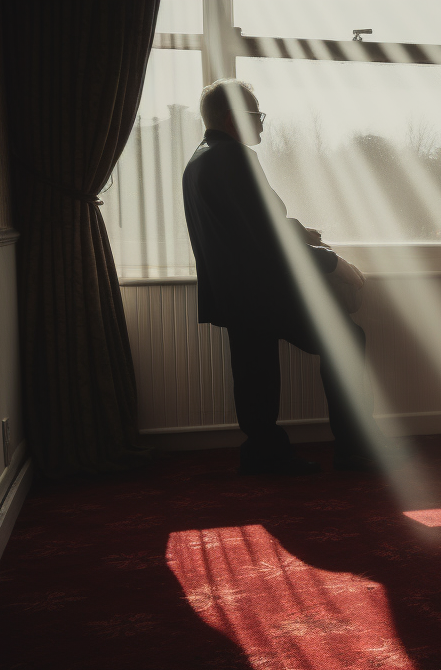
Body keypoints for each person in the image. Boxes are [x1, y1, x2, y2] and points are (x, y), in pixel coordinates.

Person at [182, 79, 377, 475]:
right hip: (264, 289)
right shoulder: (235, 158)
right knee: (347, 341)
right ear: (230, 117)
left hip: (234, 292)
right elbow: (265, 241)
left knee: (255, 375)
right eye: (256, 115)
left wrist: (296, 229)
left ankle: (264, 454)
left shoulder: (200, 160)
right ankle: (355, 449)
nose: (262, 124)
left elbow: (246, 224)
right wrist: (330, 261)